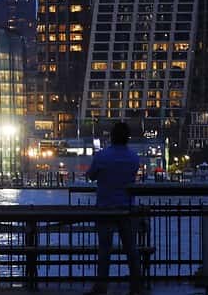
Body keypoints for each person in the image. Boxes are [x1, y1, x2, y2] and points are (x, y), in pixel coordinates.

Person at [85, 121, 142, 295]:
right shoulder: (133, 157)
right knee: (131, 249)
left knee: (104, 249)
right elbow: (133, 175)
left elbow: (91, 176)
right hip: (126, 208)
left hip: (105, 207)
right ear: (127, 138)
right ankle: (136, 286)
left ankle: (101, 286)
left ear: (111, 137)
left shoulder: (102, 156)